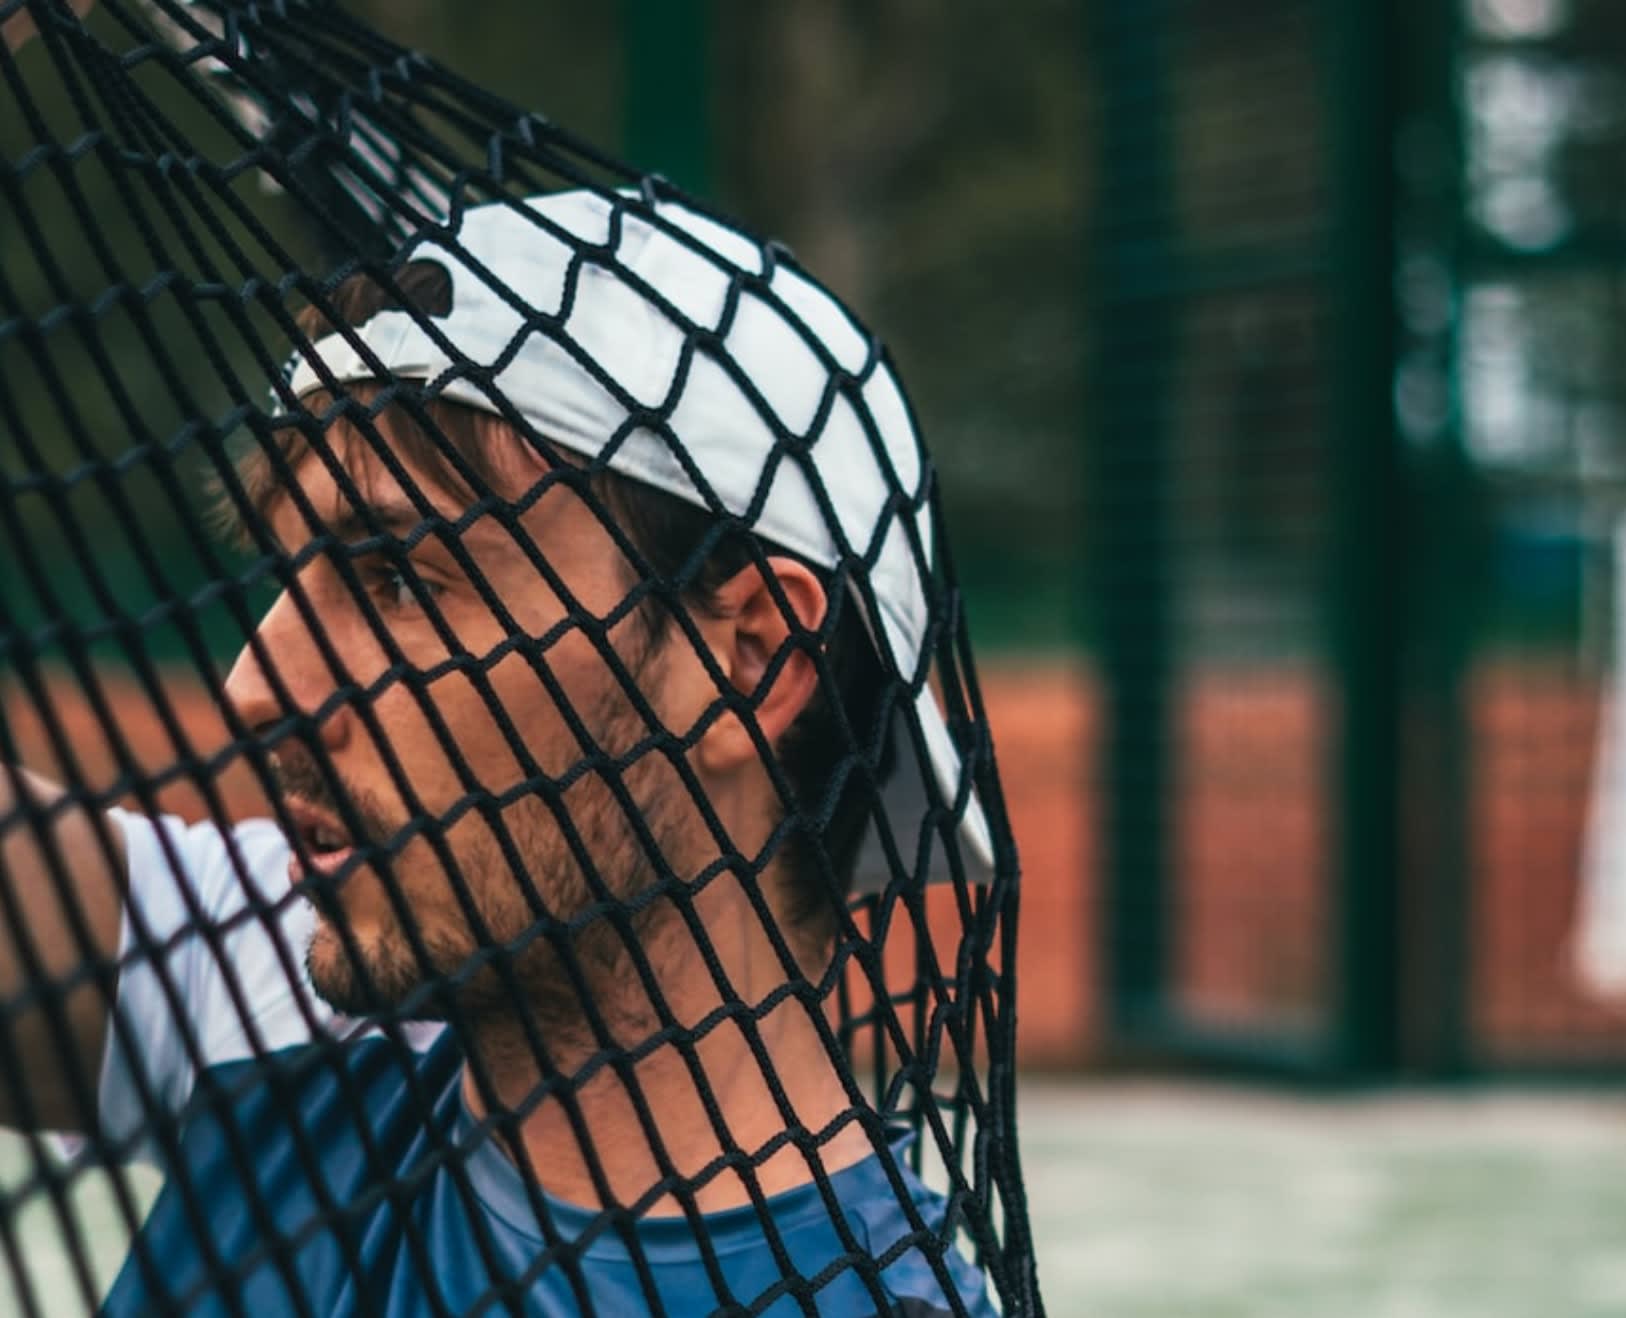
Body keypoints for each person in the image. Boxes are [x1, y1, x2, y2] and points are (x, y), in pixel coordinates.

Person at [0, 188, 1001, 1315]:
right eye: (290, 575)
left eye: (393, 579)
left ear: (750, 661)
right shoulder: (298, 985)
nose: (254, 685)